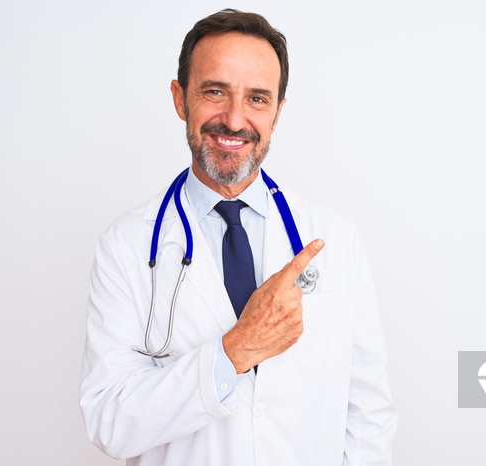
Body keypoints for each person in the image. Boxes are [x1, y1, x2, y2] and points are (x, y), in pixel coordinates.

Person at [79, 8, 397, 466]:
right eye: (215, 92)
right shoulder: (126, 246)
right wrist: (235, 350)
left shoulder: (334, 238)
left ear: (277, 112)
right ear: (180, 98)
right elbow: (110, 419)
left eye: (257, 99)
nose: (234, 119)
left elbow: (369, 415)